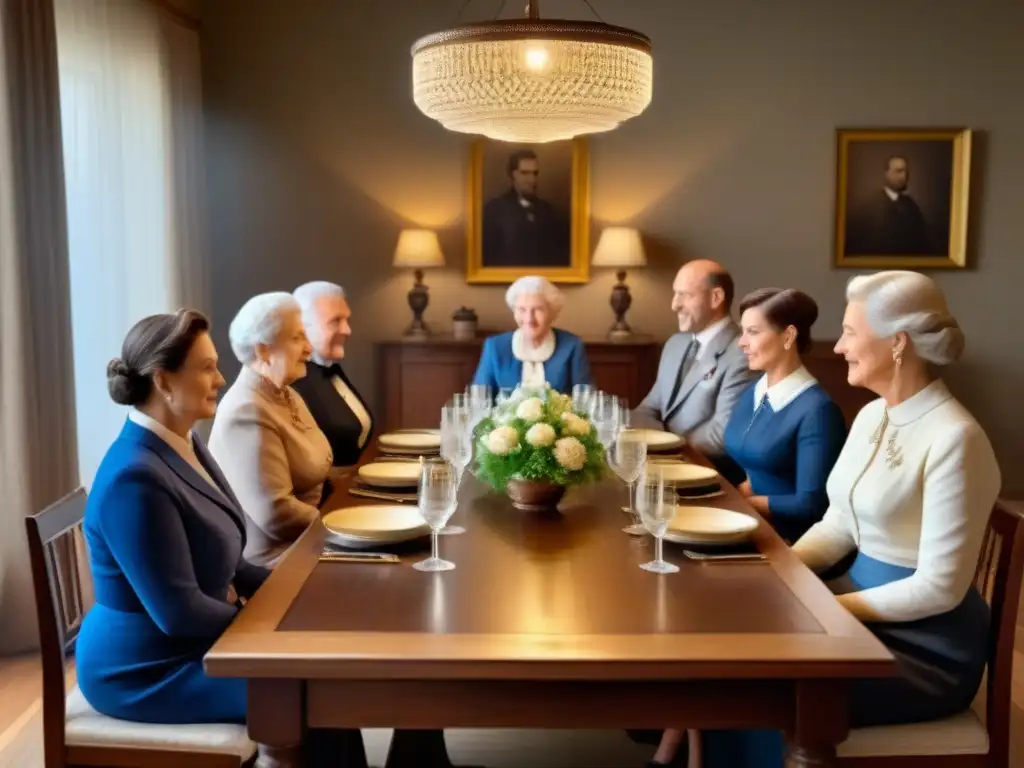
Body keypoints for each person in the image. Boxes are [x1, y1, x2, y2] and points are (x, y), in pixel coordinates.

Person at [666, 271, 1002, 768]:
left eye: (850, 331)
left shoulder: (957, 438)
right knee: (729, 649)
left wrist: (828, 608)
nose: (838, 346)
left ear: (897, 343)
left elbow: (938, 590)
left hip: (924, 647)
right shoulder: (871, 415)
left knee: (755, 676)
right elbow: (838, 525)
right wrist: (779, 575)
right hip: (854, 607)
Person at [75, 309, 366, 766]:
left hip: (187, 647)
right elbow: (179, 612)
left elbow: (233, 563)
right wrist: (275, 627)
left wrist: (300, 593)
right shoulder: (135, 477)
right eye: (207, 367)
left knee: (325, 676)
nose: (221, 377)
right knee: (317, 693)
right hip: (147, 668)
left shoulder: (184, 443)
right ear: (164, 381)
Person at [209, 292, 333, 568]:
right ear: (263, 350)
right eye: (297, 338)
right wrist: (342, 523)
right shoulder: (246, 409)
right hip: (277, 565)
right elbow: (278, 516)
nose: (309, 348)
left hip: (310, 542)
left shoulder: (287, 395)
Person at [724, 287, 846, 543]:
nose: (741, 342)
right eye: (742, 331)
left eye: (753, 332)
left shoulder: (818, 412)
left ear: (788, 336)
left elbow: (811, 504)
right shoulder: (753, 392)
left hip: (789, 543)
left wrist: (742, 504)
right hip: (749, 524)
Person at [632, 259, 756, 483]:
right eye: (675, 294)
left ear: (716, 297)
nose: (674, 305)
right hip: (661, 472)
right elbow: (648, 409)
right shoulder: (675, 344)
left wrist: (664, 447)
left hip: (715, 480)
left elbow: (722, 435)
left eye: (685, 295)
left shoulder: (743, 352)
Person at [291, 280, 374, 466]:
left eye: (347, 320)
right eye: (335, 321)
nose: (347, 330)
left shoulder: (330, 368)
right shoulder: (293, 382)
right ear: (303, 327)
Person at [472, 275, 592, 394]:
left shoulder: (571, 346)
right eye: (522, 310)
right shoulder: (495, 346)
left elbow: (586, 400)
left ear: (552, 313)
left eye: (538, 309)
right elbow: (479, 398)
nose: (529, 319)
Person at [482, 149, 570, 268]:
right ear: (512, 174)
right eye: (525, 173)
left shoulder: (550, 212)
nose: (532, 180)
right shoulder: (494, 211)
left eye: (535, 173)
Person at [845, 155, 933, 256]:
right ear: (886, 173)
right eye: (898, 171)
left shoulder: (911, 205)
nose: (903, 176)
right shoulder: (870, 206)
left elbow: (922, 241)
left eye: (905, 172)